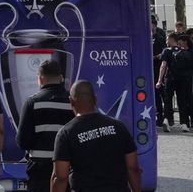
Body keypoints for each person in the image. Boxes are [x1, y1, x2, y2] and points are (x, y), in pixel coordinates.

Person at [51, 80, 141, 192]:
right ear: (95, 99)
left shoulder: (66, 133)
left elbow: (60, 177)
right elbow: (133, 168)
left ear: (71, 101)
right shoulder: (119, 127)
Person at [17, 59, 73, 192]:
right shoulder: (73, 101)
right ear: (61, 78)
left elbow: (22, 141)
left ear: (40, 79)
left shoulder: (32, 102)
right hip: (68, 170)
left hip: (39, 170)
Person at [156, 31, 179, 131]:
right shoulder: (183, 50)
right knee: (182, 100)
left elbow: (163, 66)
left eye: (167, 39)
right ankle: (184, 123)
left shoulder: (166, 51)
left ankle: (166, 119)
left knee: (167, 100)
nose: (166, 41)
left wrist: (159, 80)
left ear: (171, 39)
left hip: (169, 78)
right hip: (182, 79)